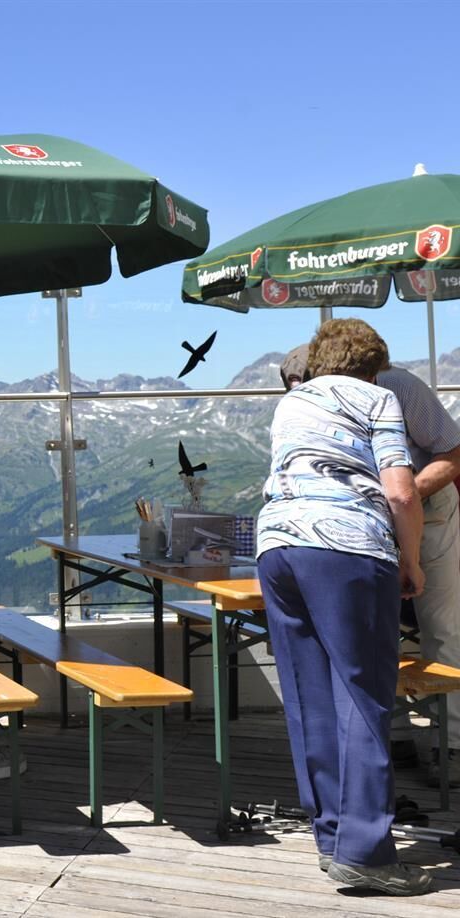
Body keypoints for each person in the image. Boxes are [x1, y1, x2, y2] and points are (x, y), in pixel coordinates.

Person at [260, 320, 430, 896]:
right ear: (375, 365)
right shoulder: (376, 398)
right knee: (362, 695)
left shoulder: (291, 401)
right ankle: (367, 854)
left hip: (277, 548)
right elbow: (401, 491)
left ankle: (332, 839)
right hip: (347, 547)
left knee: (308, 695)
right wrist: (412, 561)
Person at [282, 344, 460, 785]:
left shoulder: (399, 386)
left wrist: (407, 495)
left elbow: (453, 454)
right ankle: (396, 739)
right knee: (378, 631)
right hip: (365, 527)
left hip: (430, 517)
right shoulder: (305, 405)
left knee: (443, 630)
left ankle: (452, 746)